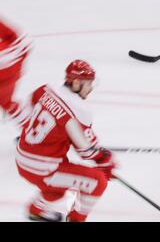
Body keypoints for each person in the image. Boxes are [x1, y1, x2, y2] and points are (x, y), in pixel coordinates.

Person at [15, 59, 116, 222]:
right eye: (88, 84)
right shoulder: (80, 110)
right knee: (98, 181)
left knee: (57, 189)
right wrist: (105, 161)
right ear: (76, 82)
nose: (90, 89)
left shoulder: (45, 89)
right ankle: (76, 219)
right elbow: (86, 151)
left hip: (22, 158)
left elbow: (29, 108)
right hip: (43, 169)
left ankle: (36, 210)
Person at [0, 20, 31, 127]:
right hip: (13, 62)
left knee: (6, 103)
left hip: (9, 66)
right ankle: (31, 129)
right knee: (7, 103)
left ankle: (32, 129)